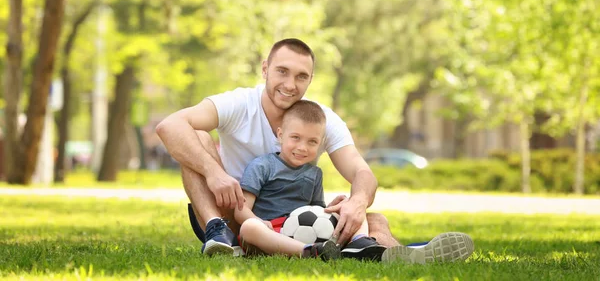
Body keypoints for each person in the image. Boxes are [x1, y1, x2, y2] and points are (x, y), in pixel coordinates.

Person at [156, 38, 474, 263]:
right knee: (193, 135)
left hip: (291, 222)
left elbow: (362, 171)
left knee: (373, 219)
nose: (290, 84)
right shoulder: (239, 103)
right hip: (237, 214)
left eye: (301, 76)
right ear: (265, 69)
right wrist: (215, 175)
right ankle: (217, 233)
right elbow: (169, 126)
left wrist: (356, 203)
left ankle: (398, 256)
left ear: (310, 80)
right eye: (282, 71)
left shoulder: (319, 119)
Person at [234, 100, 387, 260]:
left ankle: (360, 243)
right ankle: (310, 251)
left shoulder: (314, 174)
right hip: (271, 232)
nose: (302, 147)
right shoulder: (262, 166)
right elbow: (241, 210)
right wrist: (259, 222)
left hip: (305, 232)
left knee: (352, 204)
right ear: (280, 135)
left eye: (312, 142)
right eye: (295, 138)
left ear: (320, 143)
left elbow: (317, 211)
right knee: (249, 227)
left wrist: (332, 209)